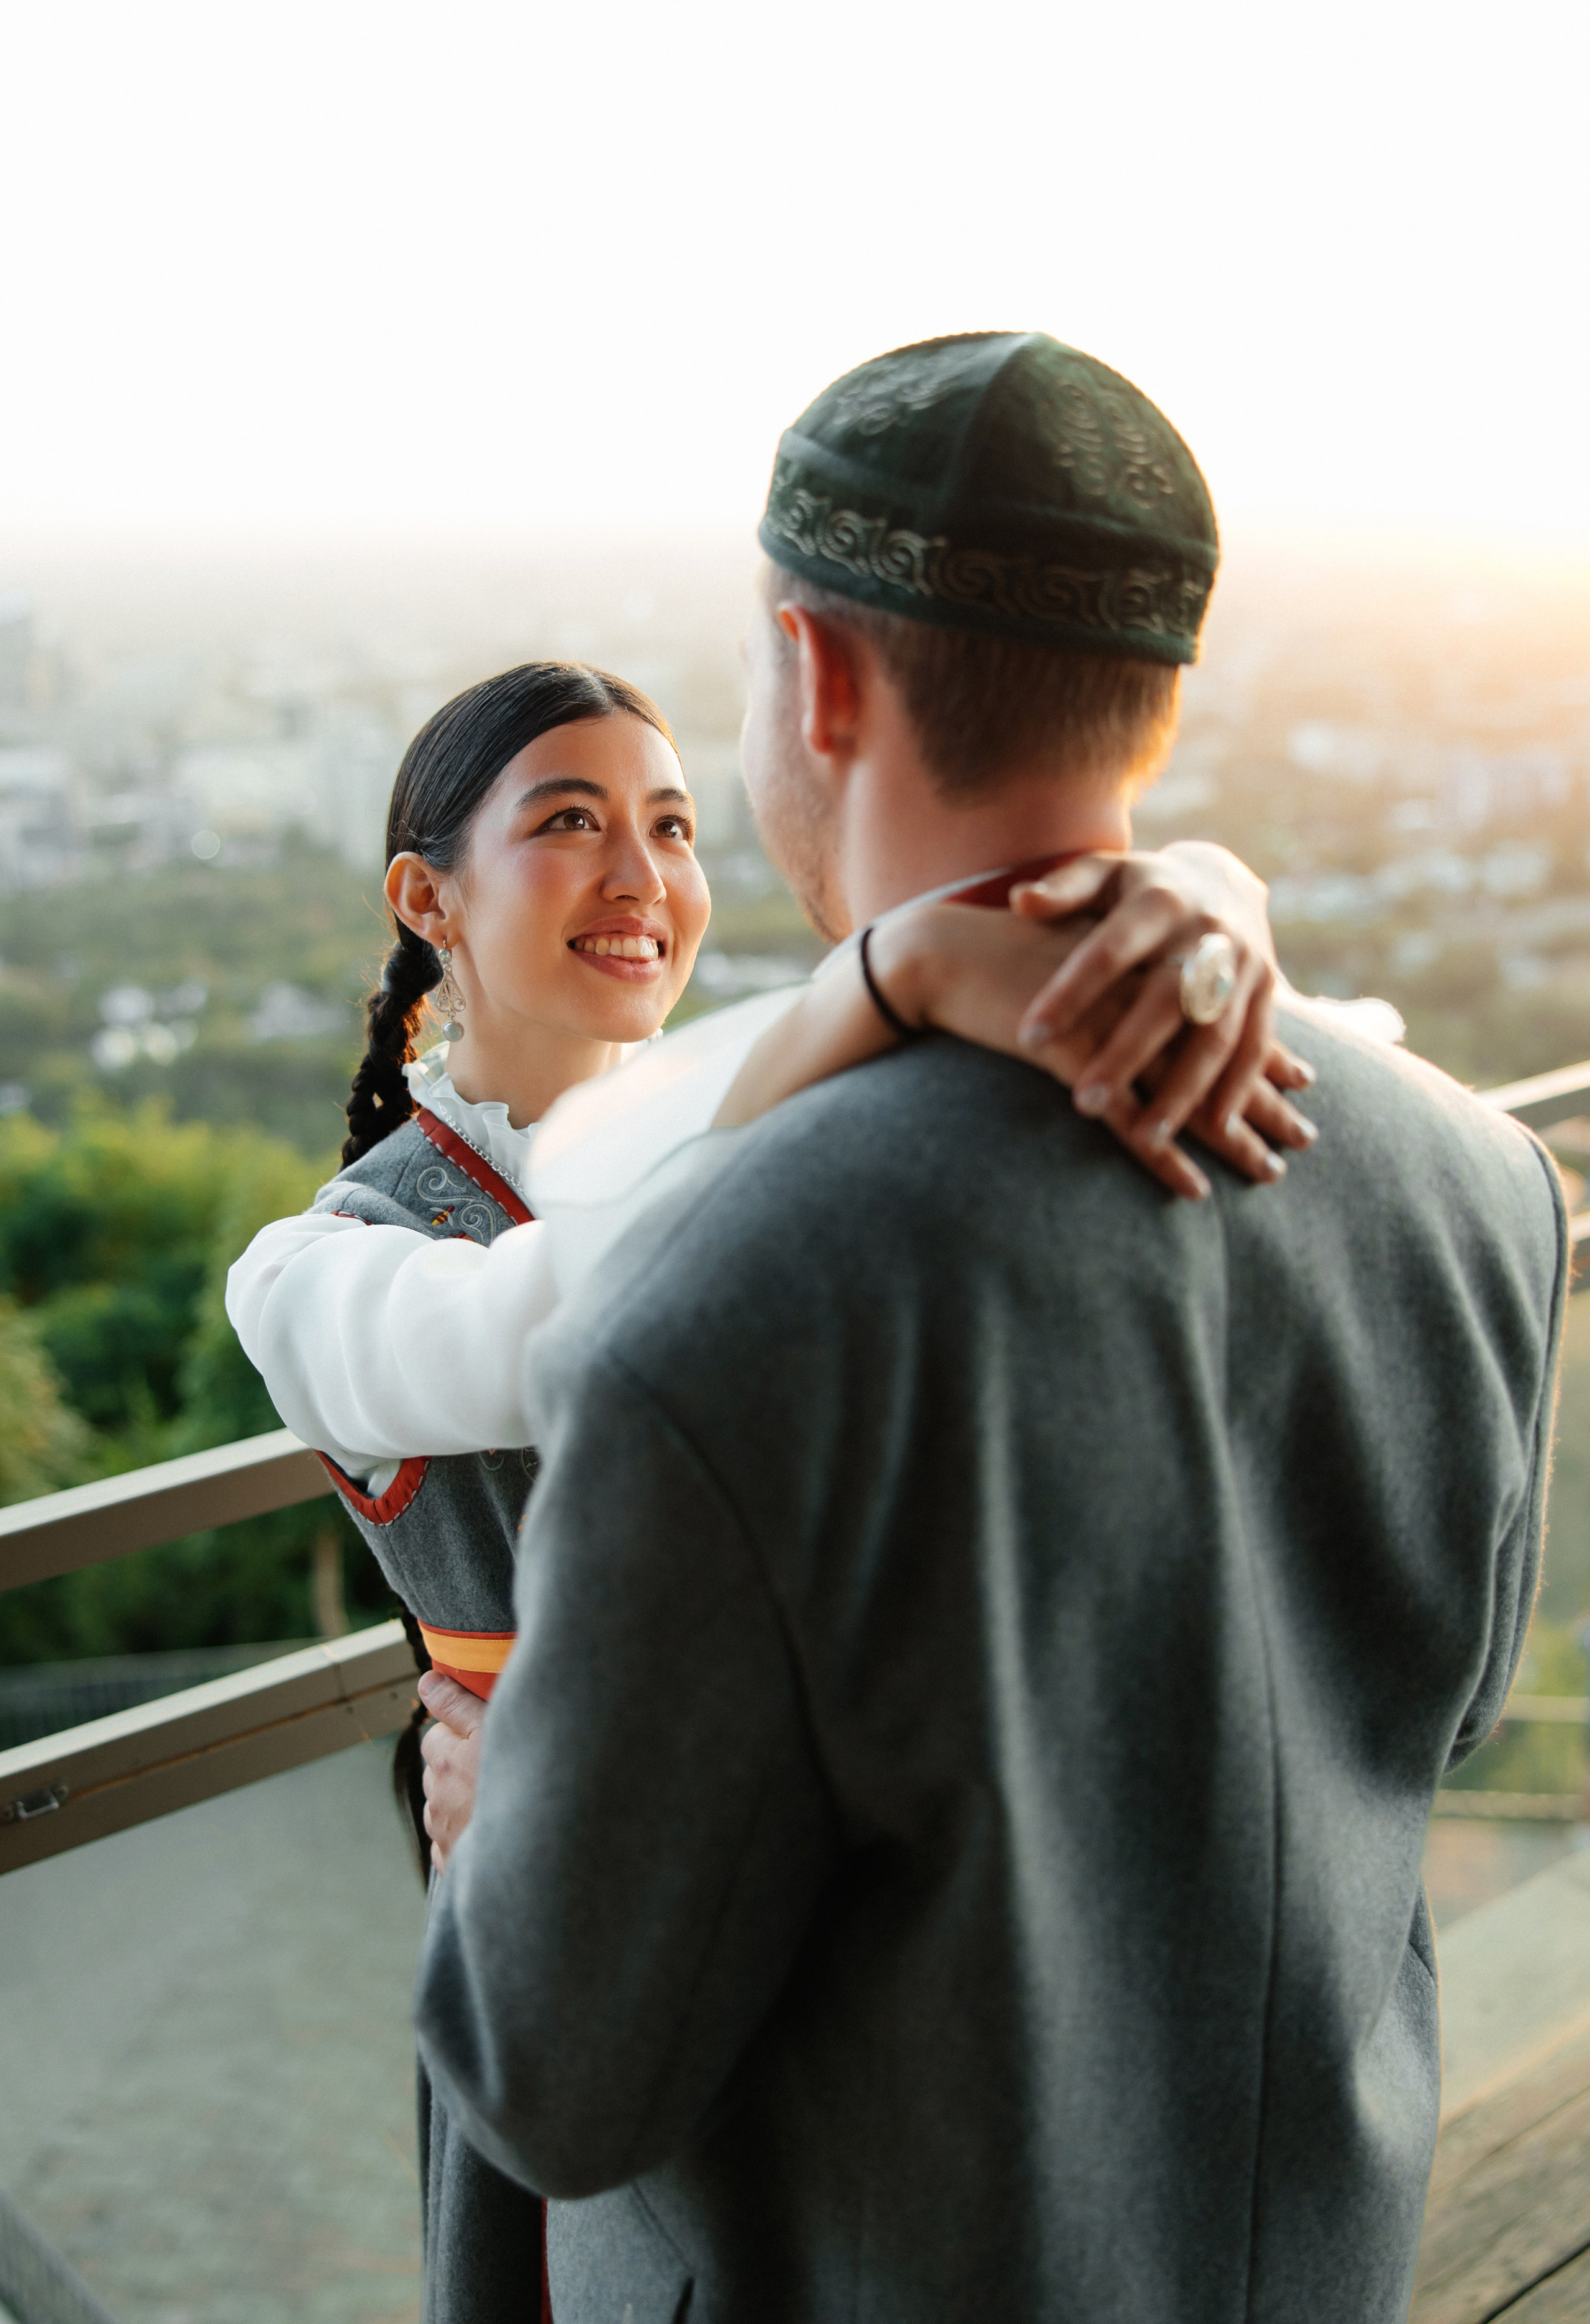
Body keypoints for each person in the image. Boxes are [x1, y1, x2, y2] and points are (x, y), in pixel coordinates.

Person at [409, 331, 1567, 2323]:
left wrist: (502, 1812)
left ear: (820, 675)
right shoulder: (1474, 1182)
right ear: (1165, 692)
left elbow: (555, 2078)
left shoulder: (713, 1309)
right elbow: (1434, 1717)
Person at [227, 650, 1311, 2323]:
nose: (641, 875)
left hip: (858, 1868)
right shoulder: (316, 1275)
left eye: (671, 822)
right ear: (422, 896)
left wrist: (1205, 897)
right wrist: (883, 985)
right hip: (574, 1902)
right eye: (570, 821)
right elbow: (560, 1323)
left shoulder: (726, 1112)